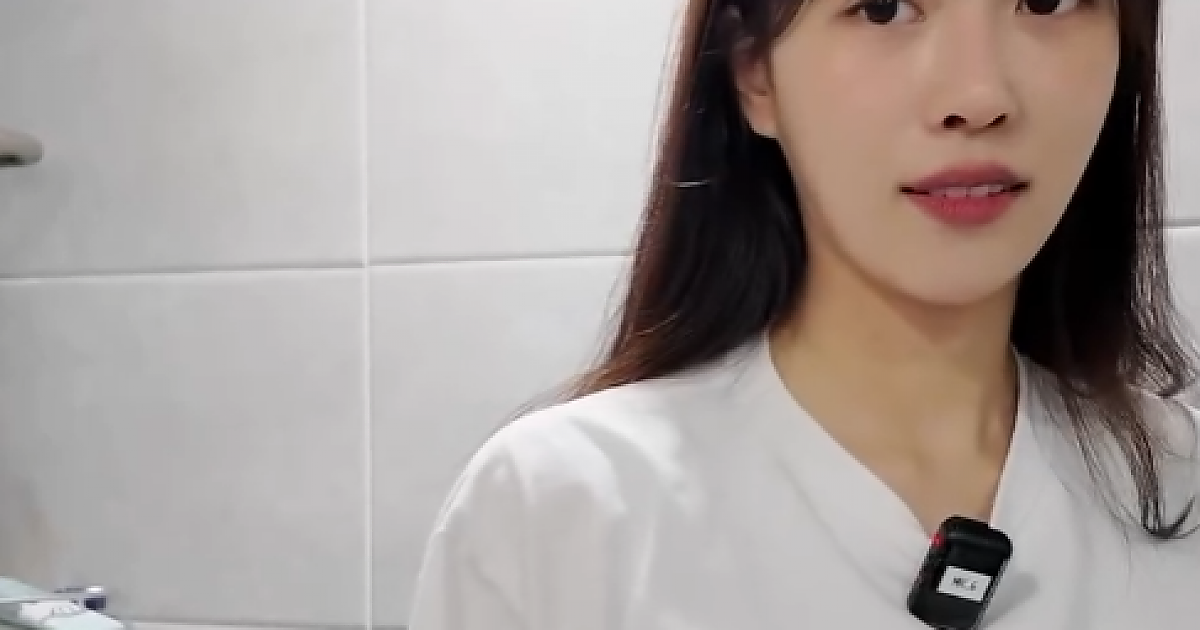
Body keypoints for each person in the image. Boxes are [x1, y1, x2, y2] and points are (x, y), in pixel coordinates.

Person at [408, 0, 1200, 628]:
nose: (978, 96)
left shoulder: (1182, 486)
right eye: (883, 7)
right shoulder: (562, 513)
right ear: (754, 71)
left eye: (1047, 0)